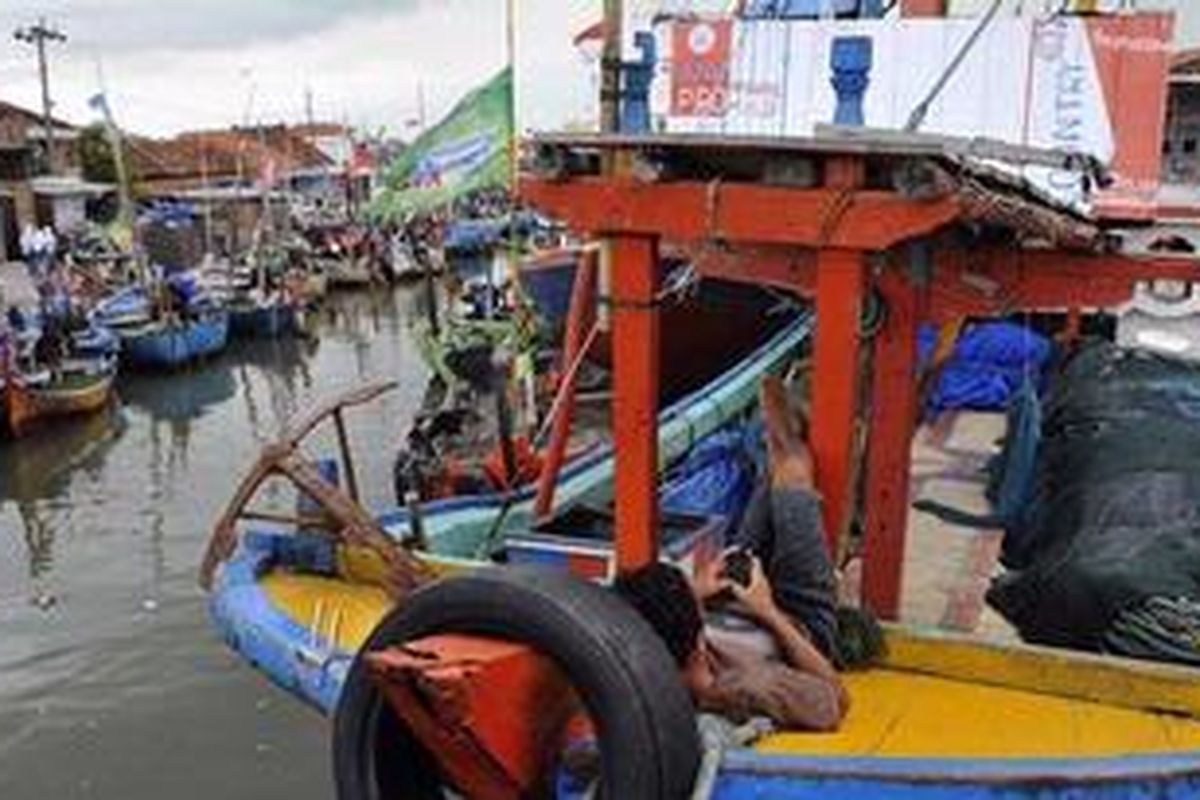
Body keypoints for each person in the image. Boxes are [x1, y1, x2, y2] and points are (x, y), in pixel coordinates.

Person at [613, 375, 884, 732]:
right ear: (696, 645)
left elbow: (626, 608)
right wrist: (768, 610)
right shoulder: (737, 688)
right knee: (790, 474)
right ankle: (786, 447)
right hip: (798, 623)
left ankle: (778, 449)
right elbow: (835, 701)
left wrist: (696, 590)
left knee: (769, 486)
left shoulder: (654, 645)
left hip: (737, 598)